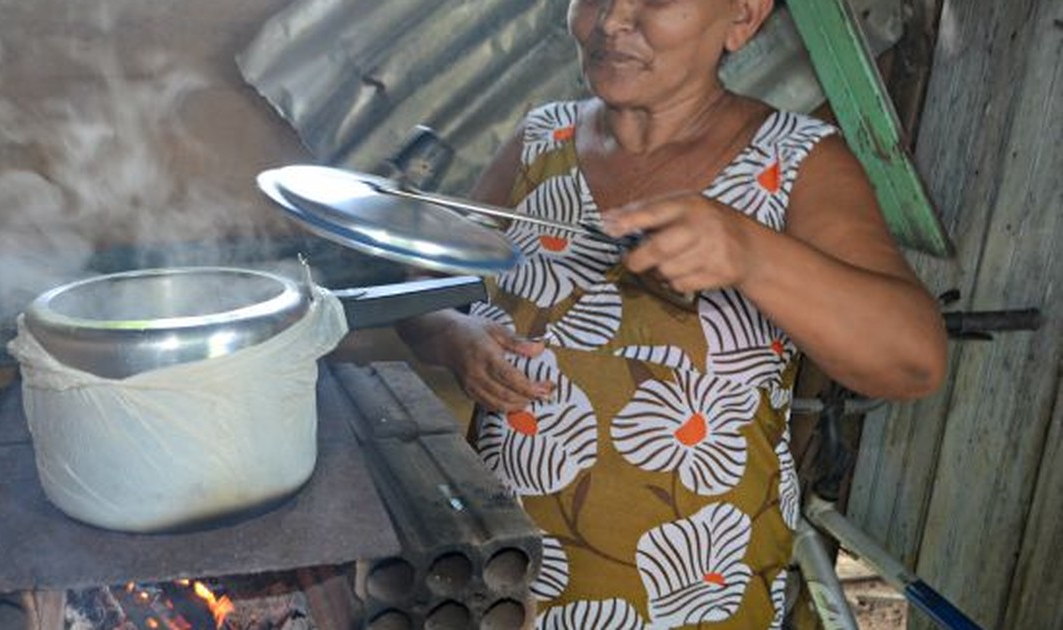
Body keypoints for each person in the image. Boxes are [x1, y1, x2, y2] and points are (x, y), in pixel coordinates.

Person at [397, 0, 948, 627]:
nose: (611, 21)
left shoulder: (797, 164)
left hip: (696, 595)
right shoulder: (540, 140)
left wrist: (751, 254)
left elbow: (915, 362)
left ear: (742, 17)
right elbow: (421, 293)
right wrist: (453, 334)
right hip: (510, 584)